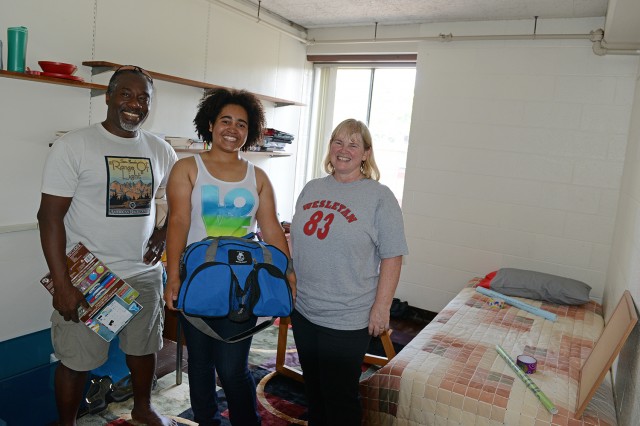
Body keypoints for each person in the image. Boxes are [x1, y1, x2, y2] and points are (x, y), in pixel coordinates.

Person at [37, 65, 178, 426]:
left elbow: (172, 198)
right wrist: (62, 285)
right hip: (90, 277)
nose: (135, 104)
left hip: (144, 274)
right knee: (75, 361)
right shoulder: (75, 145)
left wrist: (161, 234)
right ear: (109, 97)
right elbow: (49, 218)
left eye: (143, 97)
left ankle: (142, 409)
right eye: (127, 94)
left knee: (144, 351)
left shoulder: (161, 150)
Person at [164, 88, 296, 426]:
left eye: (241, 124)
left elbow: (271, 230)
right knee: (199, 363)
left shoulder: (258, 177)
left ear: (248, 132)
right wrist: (174, 278)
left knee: (232, 367)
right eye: (225, 121)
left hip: (243, 284)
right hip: (199, 280)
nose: (232, 129)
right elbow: (177, 222)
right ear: (210, 124)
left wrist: (288, 275)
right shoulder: (187, 169)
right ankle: (207, 420)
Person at [290, 118, 408, 425]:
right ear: (329, 148)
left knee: (340, 397)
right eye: (338, 142)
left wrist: (381, 308)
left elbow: (393, 256)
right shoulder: (312, 188)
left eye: (353, 144)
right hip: (304, 310)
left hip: (347, 316)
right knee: (313, 390)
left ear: (366, 153)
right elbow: (297, 241)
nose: (344, 150)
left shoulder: (379, 197)